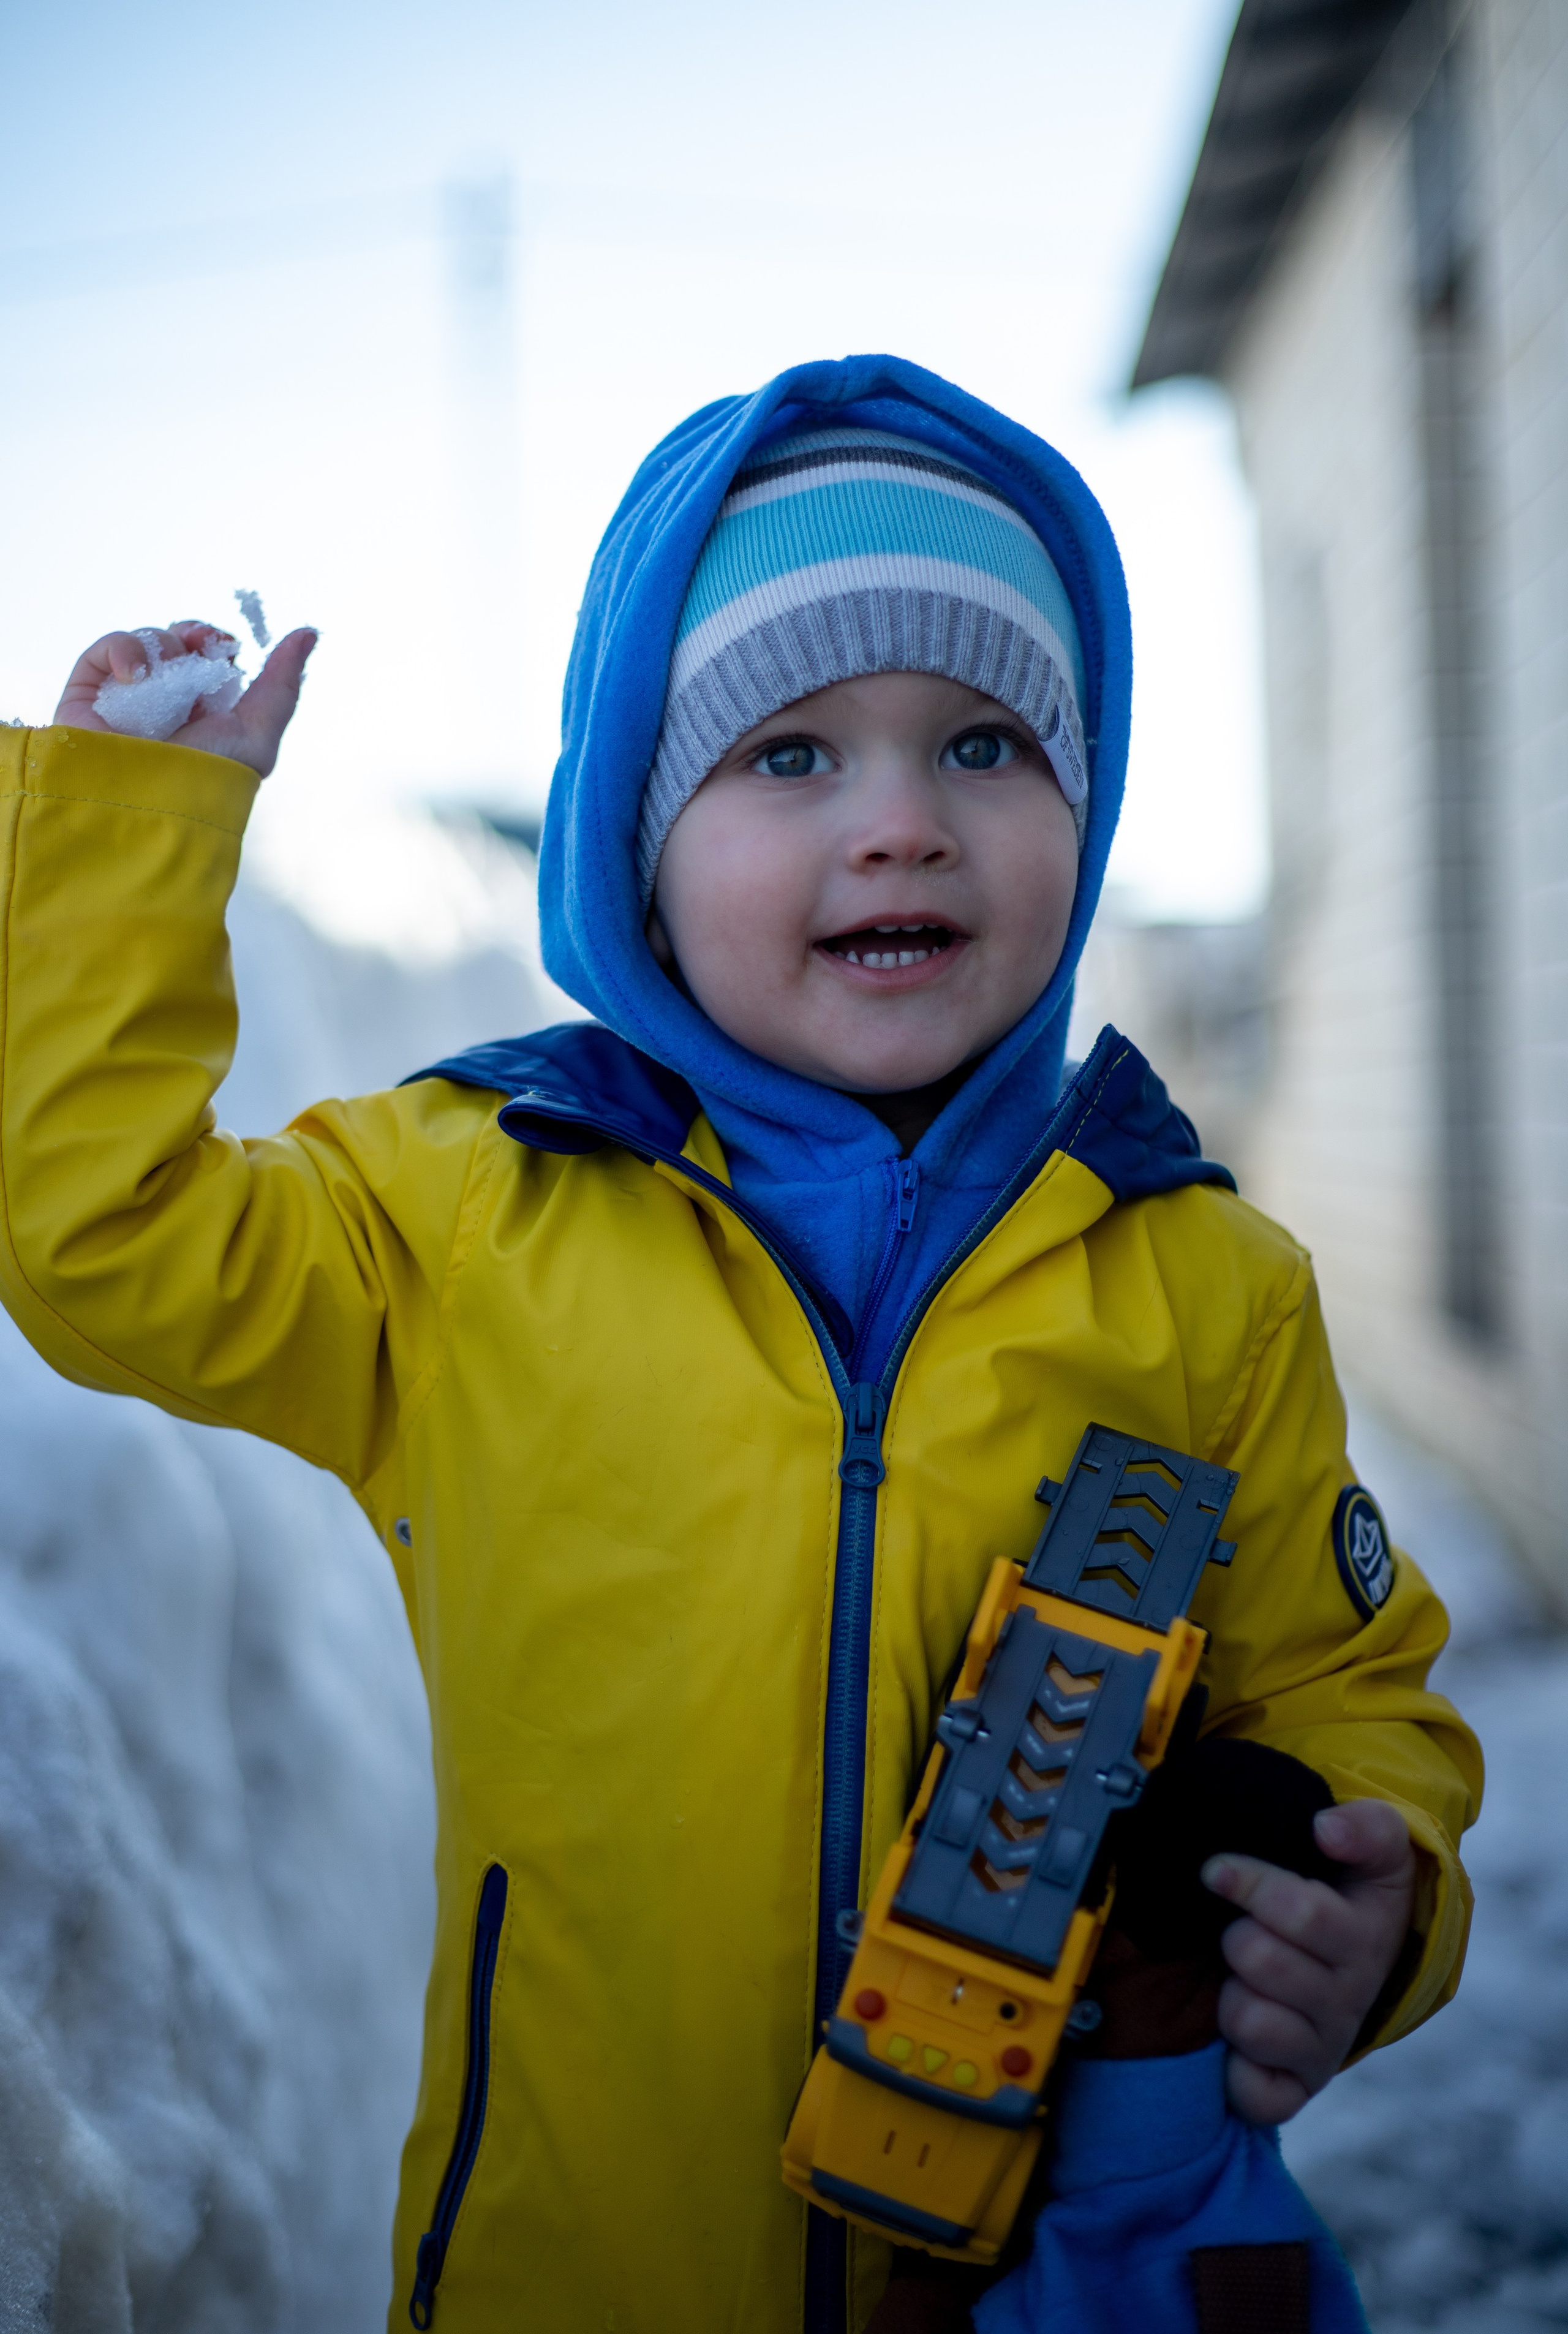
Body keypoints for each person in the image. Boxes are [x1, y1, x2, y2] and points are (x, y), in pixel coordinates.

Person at [0, 354, 1479, 2334]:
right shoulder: (467, 1213)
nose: (899, 824)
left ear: (1086, 796)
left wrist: (1375, 1899)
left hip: (1051, 2270)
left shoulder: (1204, 1288)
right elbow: (102, 1233)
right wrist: (123, 840)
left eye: (982, 744)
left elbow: (1349, 1684)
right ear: (639, 846)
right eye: (788, 757)